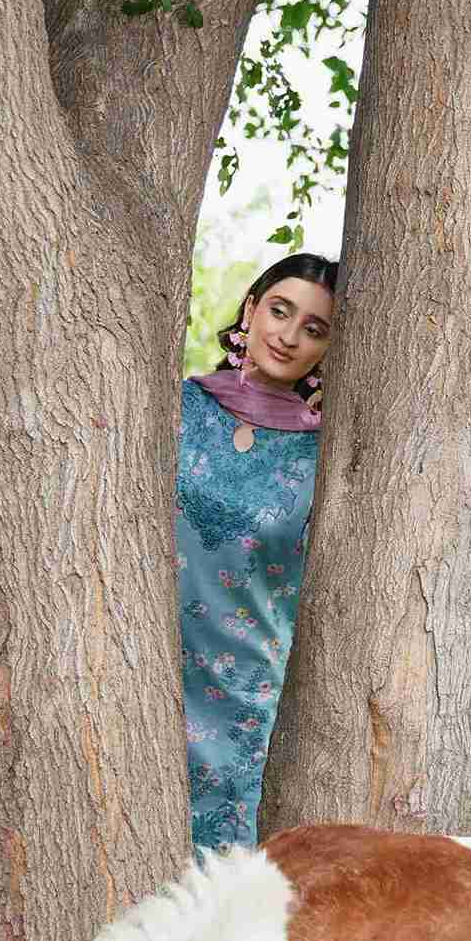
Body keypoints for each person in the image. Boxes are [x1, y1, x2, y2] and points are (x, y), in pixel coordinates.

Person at [176, 254, 338, 850]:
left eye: (315, 328)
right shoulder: (179, 408)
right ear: (251, 309)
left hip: (243, 691)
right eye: (280, 310)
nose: (289, 336)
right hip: (139, 669)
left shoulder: (324, 452)